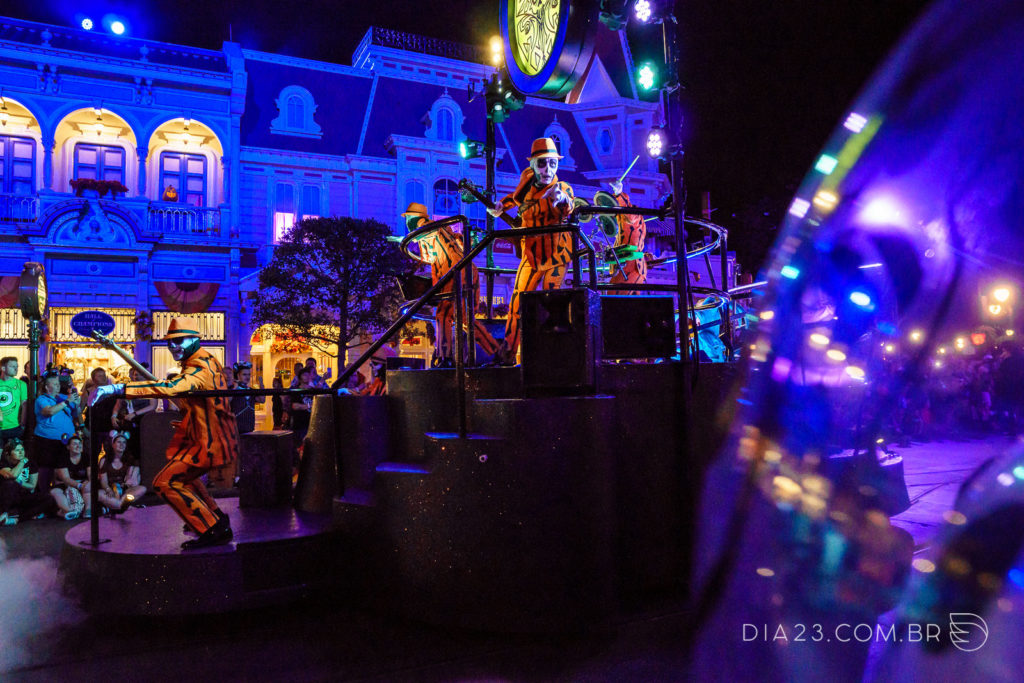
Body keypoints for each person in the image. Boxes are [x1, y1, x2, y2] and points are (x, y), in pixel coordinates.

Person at [91, 317, 239, 549]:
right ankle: (214, 518)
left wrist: (117, 388)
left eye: (178, 340)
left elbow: (171, 388)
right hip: (207, 436)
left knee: (165, 482)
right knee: (183, 478)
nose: (173, 347)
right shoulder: (204, 359)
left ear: (195, 339)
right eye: (170, 342)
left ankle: (211, 528)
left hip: (210, 441)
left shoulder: (199, 367)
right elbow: (185, 397)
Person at [488, 137, 576, 364]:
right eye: (542, 163)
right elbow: (515, 198)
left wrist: (561, 200)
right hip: (532, 254)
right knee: (517, 301)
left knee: (550, 303)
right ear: (533, 165)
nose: (548, 169)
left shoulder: (561, 187)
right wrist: (500, 206)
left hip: (556, 254)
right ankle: (507, 352)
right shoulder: (527, 184)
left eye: (552, 164)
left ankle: (551, 357)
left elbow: (568, 203)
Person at [402, 202, 500, 365]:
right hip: (465, 269)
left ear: (416, 218)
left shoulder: (426, 227)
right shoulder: (441, 230)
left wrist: (404, 239)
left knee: (443, 314)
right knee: (465, 319)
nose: (407, 223)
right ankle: (495, 351)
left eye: (408, 218)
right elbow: (438, 252)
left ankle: (444, 356)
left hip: (453, 270)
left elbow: (426, 248)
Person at [34, 371, 80, 493]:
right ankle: (43, 496)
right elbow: (48, 411)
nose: (58, 386)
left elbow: (76, 414)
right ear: (46, 386)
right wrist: (67, 401)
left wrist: (76, 403)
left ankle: (58, 496)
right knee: (46, 470)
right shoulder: (42, 399)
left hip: (65, 441)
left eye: (58, 383)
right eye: (54, 384)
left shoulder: (64, 397)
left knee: (61, 470)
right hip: (47, 441)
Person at [604, 179, 648, 295]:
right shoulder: (621, 218)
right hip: (623, 265)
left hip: (631, 265)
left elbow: (629, 215)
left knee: (620, 301)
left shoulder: (634, 215)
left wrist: (619, 193)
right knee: (614, 299)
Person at [0, 438, 59, 523]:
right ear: (8, 453)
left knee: (48, 498)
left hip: (23, 495)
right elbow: (13, 475)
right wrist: (22, 462)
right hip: (7, 497)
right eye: (17, 450)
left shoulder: (31, 463)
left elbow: (32, 485)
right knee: (10, 484)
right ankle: (4, 513)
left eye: (22, 449)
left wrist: (19, 482)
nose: (21, 452)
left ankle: (17, 519)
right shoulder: (3, 463)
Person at [111, 366, 157, 461]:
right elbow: (118, 403)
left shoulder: (150, 388)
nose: (137, 377)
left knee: (142, 448)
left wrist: (135, 414)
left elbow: (153, 406)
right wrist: (114, 415)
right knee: (129, 447)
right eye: (136, 374)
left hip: (144, 422)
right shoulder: (128, 387)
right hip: (129, 422)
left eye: (141, 375)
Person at [96, 431, 146, 514]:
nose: (121, 444)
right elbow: (103, 482)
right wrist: (108, 490)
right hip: (110, 490)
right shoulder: (104, 460)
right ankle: (125, 507)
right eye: (119, 442)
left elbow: (133, 479)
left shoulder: (129, 459)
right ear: (113, 444)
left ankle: (115, 507)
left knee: (142, 489)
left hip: (124, 491)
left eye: (124, 442)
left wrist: (129, 483)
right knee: (98, 494)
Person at [53, 432, 91, 519]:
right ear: (68, 447)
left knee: (88, 486)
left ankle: (88, 510)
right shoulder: (63, 458)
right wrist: (79, 485)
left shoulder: (86, 457)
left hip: (83, 483)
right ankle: (69, 511)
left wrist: (89, 483)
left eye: (79, 444)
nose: (78, 446)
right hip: (66, 483)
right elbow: (65, 478)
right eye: (74, 444)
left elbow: (90, 474)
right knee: (55, 492)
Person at [84, 367, 116, 461]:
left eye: (104, 375)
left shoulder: (111, 391)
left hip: (108, 427)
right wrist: (82, 428)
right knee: (91, 456)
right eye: (99, 376)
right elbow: (79, 410)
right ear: (93, 379)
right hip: (93, 428)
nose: (103, 378)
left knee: (110, 454)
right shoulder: (88, 392)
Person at [230, 361, 265, 434]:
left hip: (249, 427)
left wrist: (261, 384)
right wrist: (234, 387)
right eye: (244, 374)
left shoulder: (251, 391)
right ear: (238, 375)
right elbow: (227, 401)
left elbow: (262, 400)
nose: (247, 377)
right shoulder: (233, 389)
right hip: (235, 428)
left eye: (249, 374)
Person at [0, 356, 27, 448]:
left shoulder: (21, 384)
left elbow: (24, 405)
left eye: (17, 366)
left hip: (14, 426)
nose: (16, 369)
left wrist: (22, 424)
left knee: (13, 455)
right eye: (12, 366)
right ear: (3, 368)